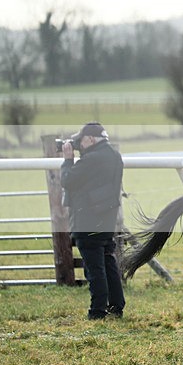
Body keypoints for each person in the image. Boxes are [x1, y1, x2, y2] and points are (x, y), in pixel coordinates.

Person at [60, 122, 125, 320]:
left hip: (87, 219)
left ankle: (97, 311)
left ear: (90, 139)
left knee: (95, 269)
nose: (79, 144)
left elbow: (67, 181)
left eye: (80, 140)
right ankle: (116, 306)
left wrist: (68, 160)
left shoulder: (90, 160)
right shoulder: (114, 156)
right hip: (106, 219)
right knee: (108, 262)